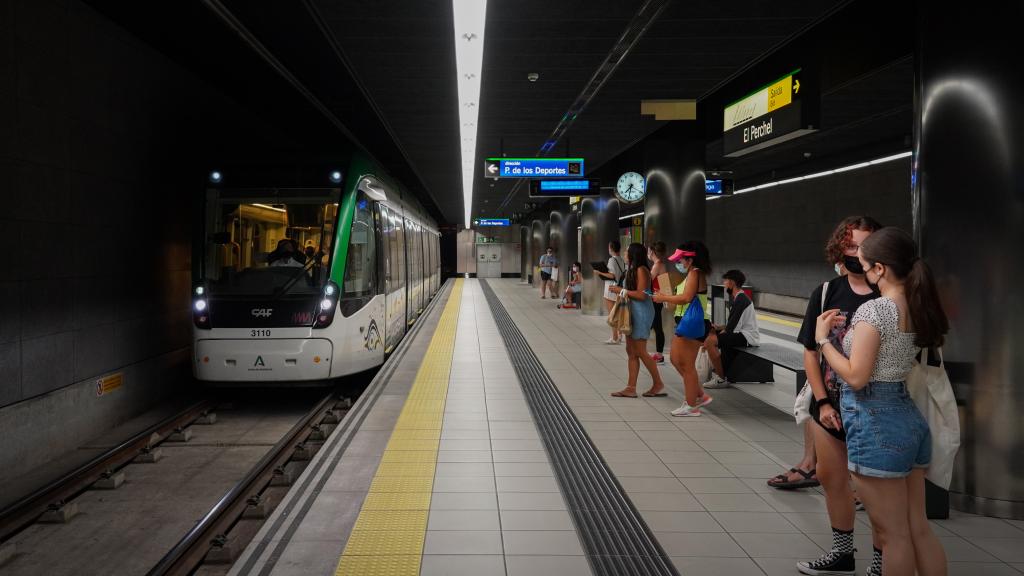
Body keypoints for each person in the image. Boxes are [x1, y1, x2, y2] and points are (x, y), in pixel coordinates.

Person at [816, 227, 948, 576]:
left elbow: (857, 376)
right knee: (918, 528)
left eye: (863, 264)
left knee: (893, 537)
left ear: (880, 269)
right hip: (907, 417)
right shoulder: (918, 305)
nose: (860, 271)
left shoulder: (874, 312)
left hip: (875, 421)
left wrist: (824, 341)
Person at [771, 216, 883, 576]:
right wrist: (821, 402)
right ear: (839, 249)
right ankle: (842, 553)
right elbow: (810, 351)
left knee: (875, 491)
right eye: (850, 246)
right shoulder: (826, 292)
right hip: (831, 404)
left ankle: (883, 561)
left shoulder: (890, 294)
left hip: (876, 405)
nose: (856, 254)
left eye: (864, 247)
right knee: (831, 479)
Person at [652, 241, 713, 416]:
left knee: (686, 364)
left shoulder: (695, 273)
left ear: (690, 259)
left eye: (681, 260)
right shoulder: (694, 273)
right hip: (689, 323)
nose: (679, 263)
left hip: (693, 324)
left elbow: (686, 298)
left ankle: (691, 405)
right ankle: (699, 395)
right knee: (675, 359)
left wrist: (664, 297)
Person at [609, 243, 667, 398]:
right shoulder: (632, 270)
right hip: (632, 311)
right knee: (631, 351)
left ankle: (658, 383)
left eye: (627, 251)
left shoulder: (642, 270)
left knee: (640, 350)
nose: (625, 253)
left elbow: (642, 295)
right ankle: (630, 387)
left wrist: (621, 290)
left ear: (633, 254)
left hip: (641, 313)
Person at [703, 269, 760, 389]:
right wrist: (718, 329)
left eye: (725, 281)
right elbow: (733, 324)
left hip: (747, 337)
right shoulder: (739, 298)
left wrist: (718, 335)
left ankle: (720, 378)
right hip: (741, 333)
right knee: (712, 334)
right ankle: (718, 368)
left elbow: (731, 328)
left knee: (710, 341)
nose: (724, 284)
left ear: (732, 283)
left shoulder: (741, 300)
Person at [595, 241, 626, 344]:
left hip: (611, 288)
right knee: (617, 312)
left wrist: (599, 272)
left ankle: (615, 337)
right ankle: (620, 335)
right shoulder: (621, 259)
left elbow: (612, 275)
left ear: (611, 248)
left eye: (609, 247)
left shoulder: (611, 260)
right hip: (618, 288)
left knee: (612, 314)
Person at [647, 242, 669, 364]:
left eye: (648, 251)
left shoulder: (657, 266)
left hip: (655, 300)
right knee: (656, 326)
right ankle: (658, 354)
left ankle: (659, 355)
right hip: (657, 299)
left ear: (652, 252)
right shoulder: (661, 264)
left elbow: (647, 281)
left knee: (656, 326)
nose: (647, 254)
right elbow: (665, 285)